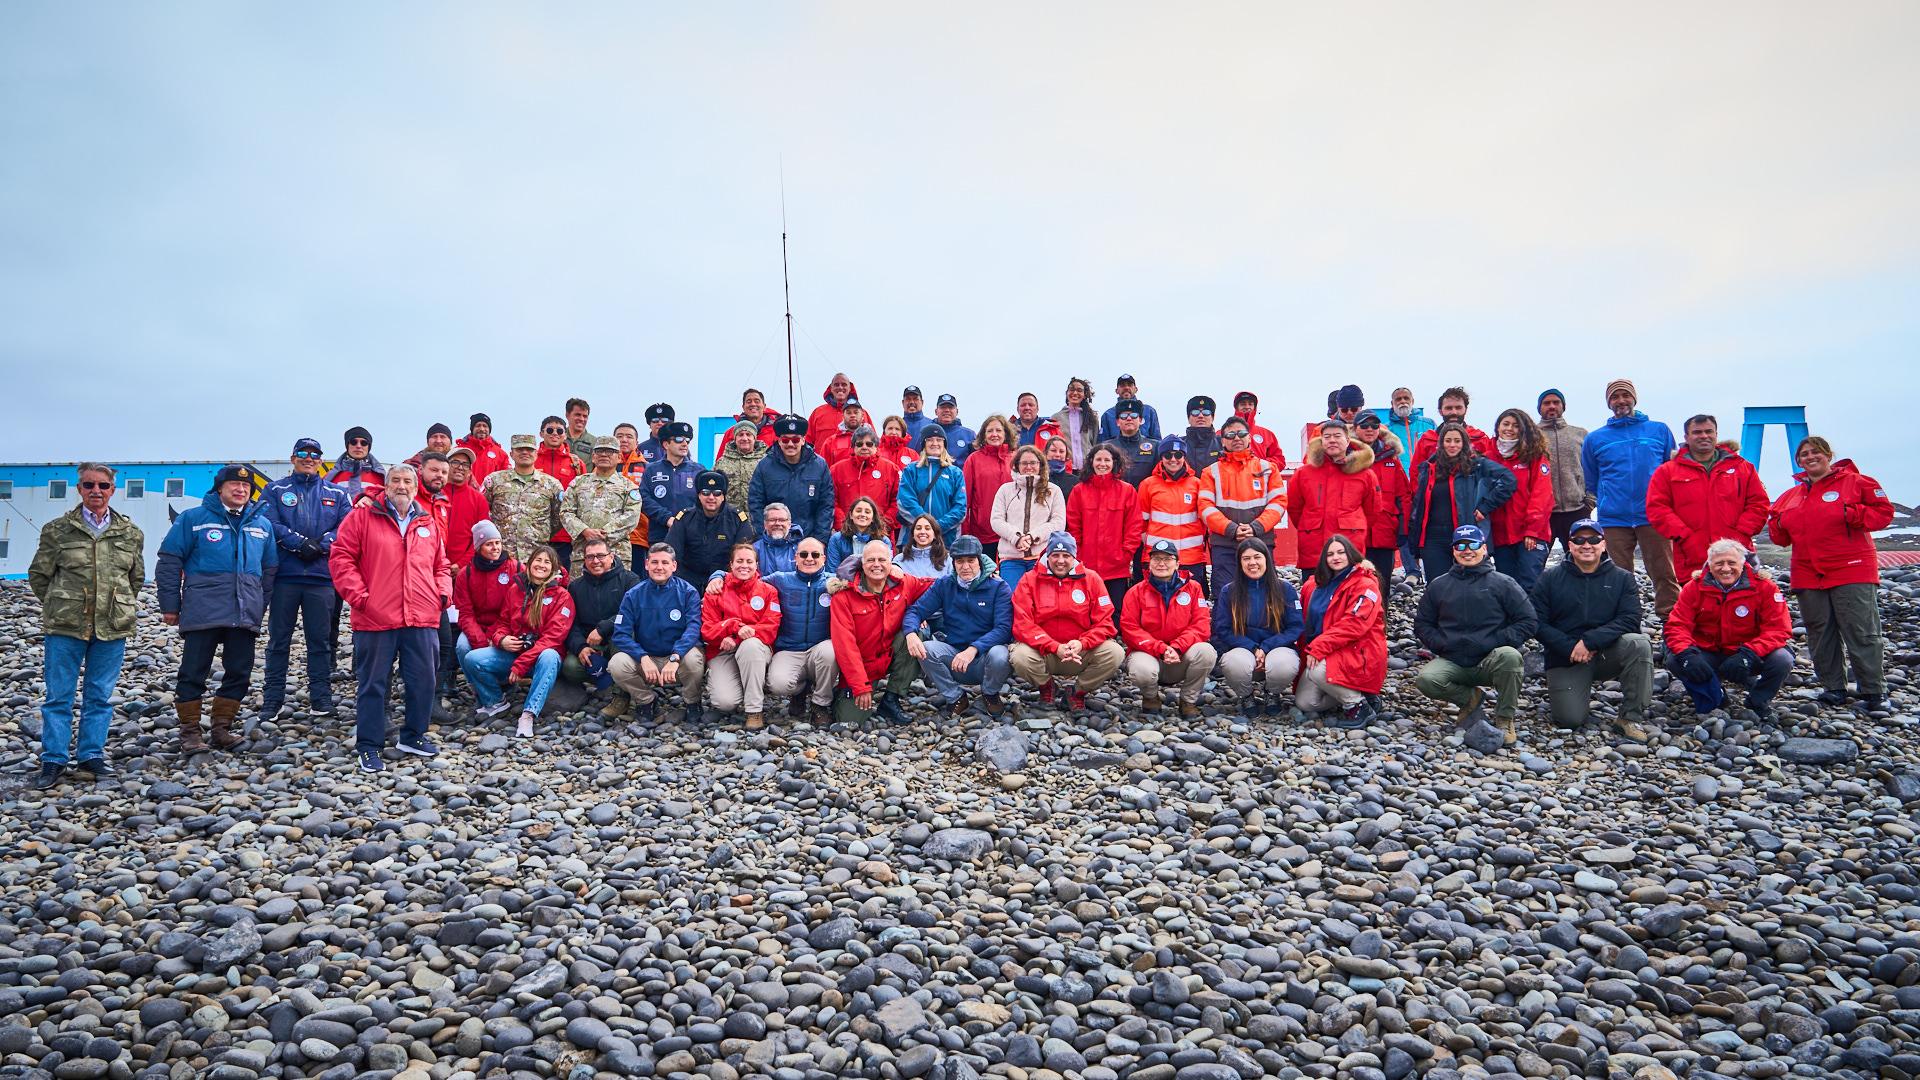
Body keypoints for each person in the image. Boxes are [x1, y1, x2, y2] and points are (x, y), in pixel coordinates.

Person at [329, 462, 452, 771]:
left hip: (421, 616)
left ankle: (413, 735)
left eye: (407, 481)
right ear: (385, 485)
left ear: (415, 486)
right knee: (373, 683)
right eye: (395, 480)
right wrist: (360, 597)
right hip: (375, 616)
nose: (401, 486)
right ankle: (369, 745)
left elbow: (441, 564)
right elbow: (342, 558)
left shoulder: (427, 521)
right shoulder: (362, 517)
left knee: (423, 679)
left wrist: (441, 594)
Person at [27, 463, 144, 788]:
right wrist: (60, 604)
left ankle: (91, 755)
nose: (96, 491)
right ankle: (53, 760)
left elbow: (134, 578)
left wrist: (117, 605)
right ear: (79, 489)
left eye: (103, 486)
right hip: (65, 627)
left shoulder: (130, 532)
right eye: (89, 485)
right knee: (58, 697)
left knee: (100, 696)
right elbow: (39, 575)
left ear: (112, 490)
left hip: (111, 627)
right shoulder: (57, 529)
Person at [155, 464, 277, 756]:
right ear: (219, 488)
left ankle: (221, 728)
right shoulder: (192, 519)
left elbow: (270, 569)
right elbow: (169, 561)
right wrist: (170, 605)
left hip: (244, 612)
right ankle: (189, 732)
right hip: (203, 611)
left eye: (246, 487)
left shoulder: (262, 525)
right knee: (192, 672)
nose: (241, 490)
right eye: (234, 484)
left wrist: (261, 605)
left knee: (239, 672)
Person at [1767, 436, 1894, 711]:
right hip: (1807, 571)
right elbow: (1780, 538)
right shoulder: (1791, 495)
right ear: (1798, 460)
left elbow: (1884, 513)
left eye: (1816, 452)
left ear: (1829, 455)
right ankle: (1833, 687)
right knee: (1819, 630)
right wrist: (1776, 522)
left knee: (1860, 629)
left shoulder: (1858, 483)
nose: (1810, 457)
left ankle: (1873, 690)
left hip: (1851, 567)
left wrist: (1854, 512)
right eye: (1804, 454)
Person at [1529, 517, 1652, 741]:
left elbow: (1630, 618)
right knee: (1570, 720)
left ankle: (1630, 717)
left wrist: (1589, 642)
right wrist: (1569, 647)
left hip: (1607, 652)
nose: (1587, 545)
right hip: (1566, 656)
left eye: (1594, 539)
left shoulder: (1623, 578)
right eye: (1579, 540)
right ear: (1570, 545)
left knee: (1639, 643)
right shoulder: (1549, 578)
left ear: (1603, 544)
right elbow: (1535, 622)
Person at [1413, 524, 1537, 745]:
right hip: (1454, 660)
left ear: (1484, 548)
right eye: (1460, 545)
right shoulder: (1439, 585)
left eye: (1473, 544)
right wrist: (1441, 644)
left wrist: (1496, 641)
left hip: (1491, 659)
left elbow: (1528, 621)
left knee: (1510, 656)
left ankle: (1504, 718)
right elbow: (1422, 623)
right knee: (1426, 680)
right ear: (1453, 550)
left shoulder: (1503, 583)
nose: (1467, 550)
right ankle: (1470, 698)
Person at [259, 438, 352, 720]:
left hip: (322, 578)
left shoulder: (336, 493)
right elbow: (269, 523)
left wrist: (322, 545)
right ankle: (272, 701)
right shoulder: (275, 490)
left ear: (321, 460)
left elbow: (347, 526)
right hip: (285, 576)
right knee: (278, 641)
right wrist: (299, 543)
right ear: (293, 457)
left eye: (314, 454)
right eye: (303, 453)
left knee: (320, 642)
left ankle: (321, 699)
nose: (308, 458)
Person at [1581, 379, 1680, 619]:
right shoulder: (1595, 439)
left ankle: (1672, 619)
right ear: (1608, 403)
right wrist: (1598, 504)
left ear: (1634, 398)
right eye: (1615, 397)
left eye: (1625, 396)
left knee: (1664, 571)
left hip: (1653, 514)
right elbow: (1591, 479)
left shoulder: (1659, 430)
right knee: (1617, 574)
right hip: (1614, 517)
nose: (1621, 401)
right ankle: (1625, 619)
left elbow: (1673, 471)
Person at [1665, 540, 1795, 722]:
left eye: (1731, 563)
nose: (1726, 569)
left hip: (1748, 653)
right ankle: (1716, 695)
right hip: (1711, 652)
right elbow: (1677, 625)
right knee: (1675, 660)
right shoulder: (1694, 588)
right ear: (1710, 565)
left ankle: (1758, 700)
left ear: (1743, 563)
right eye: (1719, 563)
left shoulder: (1764, 587)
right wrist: (1688, 654)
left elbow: (1779, 629)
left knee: (1783, 659)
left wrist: (1748, 654)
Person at [462, 544, 572, 737]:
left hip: (539, 659)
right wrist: (501, 639)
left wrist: (521, 664)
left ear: (554, 569)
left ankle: (528, 714)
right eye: (538, 560)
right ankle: (496, 701)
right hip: (514, 653)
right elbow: (502, 622)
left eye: (547, 562)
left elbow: (553, 638)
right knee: (472, 658)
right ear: (529, 564)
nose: (541, 565)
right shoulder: (516, 589)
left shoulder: (562, 597)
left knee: (550, 655)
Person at [1009, 532, 1125, 713]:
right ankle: (1047, 687)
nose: (1060, 561)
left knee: (1115, 652)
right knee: (1020, 656)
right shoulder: (1029, 580)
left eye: (1066, 556)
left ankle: (1077, 692)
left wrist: (1082, 642)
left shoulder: (1092, 579)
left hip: (1080, 651)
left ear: (1074, 557)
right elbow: (1022, 624)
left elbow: (1106, 623)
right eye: (1055, 555)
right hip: (1045, 652)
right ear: (1047, 555)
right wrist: (1054, 646)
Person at [905, 534, 1015, 717]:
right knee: (926, 649)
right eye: (959, 561)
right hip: (954, 655)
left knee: (1002, 654)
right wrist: (910, 633)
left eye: (971, 560)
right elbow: (915, 611)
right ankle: (955, 697)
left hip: (985, 656)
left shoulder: (998, 587)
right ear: (953, 562)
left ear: (979, 560)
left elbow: (1004, 629)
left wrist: (974, 649)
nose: (965, 567)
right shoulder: (945, 584)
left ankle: (990, 693)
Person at [1646, 414, 1771, 573]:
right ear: (1687, 437)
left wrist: (1739, 534)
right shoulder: (1667, 472)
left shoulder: (1743, 468)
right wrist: (1685, 537)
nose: (1704, 436)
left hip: (1736, 556)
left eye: (1708, 431)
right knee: (1695, 597)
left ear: (1716, 435)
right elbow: (1657, 509)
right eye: (1697, 432)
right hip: (1691, 557)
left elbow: (1759, 504)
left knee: (1742, 597)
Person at [829, 539, 935, 723]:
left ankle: (891, 699)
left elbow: (936, 586)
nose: (876, 565)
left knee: (915, 636)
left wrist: (978, 573)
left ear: (891, 563)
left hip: (889, 654)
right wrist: (860, 686)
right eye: (870, 560)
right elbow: (845, 646)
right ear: (862, 564)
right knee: (850, 720)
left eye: (882, 560)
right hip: (863, 665)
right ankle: (840, 693)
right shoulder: (844, 597)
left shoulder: (904, 583)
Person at [1296, 535, 1387, 728]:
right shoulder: (1312, 585)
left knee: (1318, 671)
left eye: (1341, 552)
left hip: (1357, 650)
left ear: (1351, 554)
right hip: (1325, 650)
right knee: (1305, 702)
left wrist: (1318, 648)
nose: (1336, 557)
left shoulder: (1366, 584)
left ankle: (1356, 705)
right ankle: (1358, 692)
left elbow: (1354, 624)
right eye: (1330, 554)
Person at [1408, 420, 1516, 582]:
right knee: (1438, 587)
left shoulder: (1476, 464)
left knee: (1470, 585)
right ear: (1441, 443)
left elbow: (1508, 480)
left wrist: (1486, 506)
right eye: (1448, 440)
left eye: (1457, 441)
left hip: (1464, 536)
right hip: (1432, 539)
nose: (1452, 445)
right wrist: (1415, 544)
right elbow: (1419, 505)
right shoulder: (1428, 468)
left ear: (1464, 443)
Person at [607, 544, 707, 720]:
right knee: (617, 663)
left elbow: (693, 629)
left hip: (678, 658)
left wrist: (676, 656)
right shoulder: (633, 595)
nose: (659, 567)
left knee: (694, 659)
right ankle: (645, 700)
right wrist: (642, 657)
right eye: (654, 562)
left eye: (664, 562)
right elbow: (621, 634)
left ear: (674, 566)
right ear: (646, 564)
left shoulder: (688, 592)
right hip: (648, 659)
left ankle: (692, 701)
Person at [1120, 539, 1216, 718]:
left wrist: (1178, 646)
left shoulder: (1193, 588)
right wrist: (1161, 648)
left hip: (1181, 654)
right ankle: (1150, 697)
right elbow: (1129, 629)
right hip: (1149, 654)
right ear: (1149, 564)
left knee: (1206, 651)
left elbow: (1201, 625)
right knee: (1141, 670)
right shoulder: (1136, 591)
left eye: (1167, 559)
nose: (1161, 563)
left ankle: (1188, 700)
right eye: (1156, 559)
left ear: (1177, 563)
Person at [1212, 538, 1303, 715]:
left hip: (1278, 648)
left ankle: (1272, 692)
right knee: (1232, 663)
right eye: (1246, 558)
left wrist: (1267, 647)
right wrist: (1253, 648)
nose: (1252, 563)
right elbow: (1223, 628)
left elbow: (1296, 627)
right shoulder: (1229, 591)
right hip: (1244, 649)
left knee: (1285, 664)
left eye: (1257, 557)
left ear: (1266, 560)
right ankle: (1246, 695)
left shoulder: (1285, 589)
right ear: (1239, 563)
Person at [1198, 415, 1287, 590]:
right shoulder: (1210, 472)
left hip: (1261, 541)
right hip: (1225, 546)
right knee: (1225, 595)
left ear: (1249, 437)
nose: (1236, 438)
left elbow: (1278, 503)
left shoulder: (1268, 468)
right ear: (1223, 441)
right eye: (1230, 435)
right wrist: (1232, 529)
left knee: (1266, 594)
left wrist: (1255, 527)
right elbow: (1205, 507)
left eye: (1241, 433)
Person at [700, 544, 781, 727]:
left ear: (756, 565)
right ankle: (738, 684)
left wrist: (737, 637)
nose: (744, 565)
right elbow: (707, 630)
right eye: (739, 561)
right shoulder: (715, 591)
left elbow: (771, 627)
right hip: (722, 651)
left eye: (749, 561)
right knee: (725, 702)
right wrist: (732, 626)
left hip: (755, 648)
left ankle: (754, 710)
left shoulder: (769, 591)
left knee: (750, 646)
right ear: (731, 564)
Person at [1289, 419, 1380, 575]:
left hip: (1350, 548)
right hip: (1314, 549)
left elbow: (1372, 511)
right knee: (1314, 595)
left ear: (1347, 441)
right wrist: (1311, 524)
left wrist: (1354, 525)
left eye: (1337, 436)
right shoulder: (1303, 473)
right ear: (1321, 441)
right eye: (1327, 437)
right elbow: (1294, 508)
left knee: (1350, 595)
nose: (1332, 440)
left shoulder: (1365, 474)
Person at [764, 536, 839, 723]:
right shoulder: (780, 579)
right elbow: (748, 580)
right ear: (795, 558)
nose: (809, 559)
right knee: (778, 684)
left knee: (831, 652)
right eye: (804, 554)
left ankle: (820, 704)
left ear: (824, 559)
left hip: (819, 649)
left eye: (815, 554)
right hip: (789, 649)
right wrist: (719, 576)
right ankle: (800, 690)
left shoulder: (835, 583)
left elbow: (863, 579)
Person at [561, 536, 639, 715]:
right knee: (571, 667)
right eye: (590, 557)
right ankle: (604, 683)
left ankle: (621, 696)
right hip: (591, 644)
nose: (595, 561)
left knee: (623, 638)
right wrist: (580, 647)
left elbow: (632, 614)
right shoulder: (575, 587)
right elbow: (571, 624)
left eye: (600, 556)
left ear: (611, 557)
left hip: (618, 637)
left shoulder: (629, 580)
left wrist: (603, 628)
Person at [1066, 443, 1143, 614]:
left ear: (1114, 463)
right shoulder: (1079, 491)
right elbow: (1073, 526)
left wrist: (1126, 554)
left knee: (1115, 610)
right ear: (1091, 462)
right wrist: (1078, 554)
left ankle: (1113, 639)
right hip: (1086, 564)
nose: (1102, 464)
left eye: (1107, 460)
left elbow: (1134, 526)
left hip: (1117, 565)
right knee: (1086, 609)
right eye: (1098, 459)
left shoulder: (1127, 491)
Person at [1487, 408, 1555, 592]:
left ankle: (1535, 621)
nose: (1510, 429)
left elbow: (1542, 496)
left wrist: (1532, 530)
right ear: (1498, 427)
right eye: (1506, 424)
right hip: (1501, 535)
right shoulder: (1488, 456)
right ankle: (1512, 621)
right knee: (1507, 586)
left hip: (1530, 534)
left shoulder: (1534, 456)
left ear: (1524, 429)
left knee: (1530, 584)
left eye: (1516, 425)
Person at [560, 436, 643, 579]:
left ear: (619, 457)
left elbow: (631, 517)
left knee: (616, 598)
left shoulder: (629, 487)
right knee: (580, 597)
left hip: (616, 554)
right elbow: (566, 512)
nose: (604, 454)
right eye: (600, 451)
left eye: (610, 451)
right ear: (593, 457)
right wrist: (585, 531)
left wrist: (603, 535)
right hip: (583, 554)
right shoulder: (578, 483)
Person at [1136, 438, 1209, 594]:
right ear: (1161, 458)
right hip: (1158, 559)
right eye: (1168, 455)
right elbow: (1140, 522)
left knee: (1189, 605)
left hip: (1192, 558)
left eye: (1178, 455)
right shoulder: (1148, 484)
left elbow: (1204, 521)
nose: (1173, 459)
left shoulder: (1197, 484)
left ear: (1184, 457)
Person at [991, 445, 1067, 589]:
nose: (1029, 467)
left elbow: (1058, 522)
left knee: (1041, 602)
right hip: (1011, 558)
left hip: (1042, 557)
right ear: (1017, 465)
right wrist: (1017, 538)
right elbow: (996, 520)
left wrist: (1033, 537)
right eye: (1024, 463)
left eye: (1033, 463)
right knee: (1012, 600)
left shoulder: (1053, 491)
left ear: (1041, 465)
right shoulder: (1005, 490)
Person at [751, 415, 835, 543]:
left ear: (803, 440)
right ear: (779, 441)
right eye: (785, 440)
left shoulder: (819, 465)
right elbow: (756, 503)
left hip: (809, 540)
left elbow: (826, 505)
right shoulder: (764, 466)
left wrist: (820, 540)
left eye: (795, 440)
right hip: (774, 539)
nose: (790, 444)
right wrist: (763, 537)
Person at [483, 434, 566, 561]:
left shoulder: (552, 485)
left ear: (536, 453)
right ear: (511, 454)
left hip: (536, 556)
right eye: (519, 449)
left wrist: (540, 532)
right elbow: (481, 511)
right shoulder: (494, 480)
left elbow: (559, 517)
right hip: (501, 554)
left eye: (529, 449)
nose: (525, 452)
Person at [453, 522, 521, 671]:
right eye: (489, 544)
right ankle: (477, 684)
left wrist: (494, 636)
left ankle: (505, 681)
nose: (495, 547)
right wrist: (481, 641)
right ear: (478, 548)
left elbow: (514, 609)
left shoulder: (516, 568)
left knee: (509, 646)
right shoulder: (466, 574)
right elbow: (465, 613)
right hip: (477, 625)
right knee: (463, 647)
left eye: (497, 542)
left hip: (505, 626)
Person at [666, 470, 753, 585]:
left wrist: (724, 579)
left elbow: (742, 556)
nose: (711, 497)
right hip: (687, 581)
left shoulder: (737, 519)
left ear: (723, 496)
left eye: (717, 493)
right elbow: (672, 553)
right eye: (706, 492)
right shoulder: (684, 518)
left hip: (725, 581)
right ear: (699, 495)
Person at [1536, 389, 1594, 558]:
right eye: (1547, 403)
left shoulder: (1580, 434)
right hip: (1544, 513)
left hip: (1578, 509)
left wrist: (1590, 501)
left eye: (1556, 402)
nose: (1552, 406)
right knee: (1535, 565)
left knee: (1583, 561)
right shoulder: (1530, 435)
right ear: (1539, 408)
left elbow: (1592, 469)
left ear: (1563, 406)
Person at [1352, 414, 1408, 588]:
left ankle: (1382, 616)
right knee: (1356, 583)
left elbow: (1404, 496)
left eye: (1374, 425)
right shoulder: (1347, 457)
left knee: (1383, 583)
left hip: (1385, 532)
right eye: (1364, 425)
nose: (1370, 429)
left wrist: (1404, 529)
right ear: (1355, 428)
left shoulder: (1391, 459)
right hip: (1355, 534)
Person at [533, 414, 586, 567]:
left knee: (563, 581)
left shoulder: (575, 463)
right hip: (536, 533)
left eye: (559, 431)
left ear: (565, 435)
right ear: (541, 433)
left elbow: (582, 497)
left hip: (565, 535)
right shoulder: (531, 460)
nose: (555, 434)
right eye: (550, 430)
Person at [898, 429, 967, 545]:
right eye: (929, 440)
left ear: (944, 444)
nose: (935, 443)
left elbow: (960, 508)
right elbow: (905, 501)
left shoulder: (955, 473)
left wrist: (937, 526)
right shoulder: (911, 470)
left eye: (939, 440)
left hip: (946, 540)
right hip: (912, 539)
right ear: (923, 444)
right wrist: (924, 525)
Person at [961, 415, 1015, 558]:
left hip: (1013, 531)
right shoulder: (973, 460)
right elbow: (965, 499)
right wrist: (966, 533)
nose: (994, 434)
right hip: (983, 532)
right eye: (990, 431)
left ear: (1006, 434)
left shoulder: (1016, 458)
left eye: (998, 430)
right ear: (983, 435)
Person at [829, 426, 901, 533]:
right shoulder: (836, 470)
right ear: (853, 447)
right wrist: (844, 524)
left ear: (876, 447)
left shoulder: (892, 469)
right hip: (846, 533)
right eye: (859, 444)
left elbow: (897, 502)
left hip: (880, 533)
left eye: (869, 444)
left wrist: (881, 525)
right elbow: (831, 501)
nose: (864, 447)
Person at [642, 421, 704, 544]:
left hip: (691, 534)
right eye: (679, 439)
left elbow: (704, 500)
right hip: (660, 534)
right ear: (666, 444)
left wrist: (685, 521)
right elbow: (644, 498)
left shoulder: (699, 470)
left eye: (687, 440)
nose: (684, 443)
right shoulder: (651, 469)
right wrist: (667, 519)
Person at [1411, 387, 1494, 466]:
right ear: (1440, 411)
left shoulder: (1480, 439)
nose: (1454, 412)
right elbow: (1416, 472)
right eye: (1449, 408)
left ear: (1465, 409)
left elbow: (1492, 471)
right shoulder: (1427, 440)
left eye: (1458, 408)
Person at [443, 447, 491, 568]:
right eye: (455, 462)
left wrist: (461, 564)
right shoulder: (433, 494)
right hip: (430, 566)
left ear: (470, 471)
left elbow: (481, 537)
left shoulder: (479, 500)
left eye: (465, 464)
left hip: (463, 570)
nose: (460, 467)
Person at [714, 419, 768, 510]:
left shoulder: (766, 461)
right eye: (740, 435)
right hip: (730, 518)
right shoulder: (722, 462)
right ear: (735, 439)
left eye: (748, 435)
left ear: (754, 438)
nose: (744, 438)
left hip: (757, 517)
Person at [828, 496, 891, 572]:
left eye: (867, 512)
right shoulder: (836, 539)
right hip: (843, 582)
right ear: (851, 515)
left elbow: (886, 570)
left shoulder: (883, 541)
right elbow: (832, 571)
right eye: (858, 511)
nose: (863, 514)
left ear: (873, 518)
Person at [1050, 378, 1100, 469]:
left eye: (1079, 390)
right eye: (1072, 389)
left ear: (1085, 395)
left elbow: (1095, 443)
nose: (1075, 393)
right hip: (1066, 469)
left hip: (1087, 469)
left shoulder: (1092, 418)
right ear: (1067, 393)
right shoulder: (1056, 418)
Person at [1377, 388, 1432, 472]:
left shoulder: (1429, 424)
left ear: (1412, 401)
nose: (1403, 401)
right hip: (1400, 479)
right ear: (1392, 403)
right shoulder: (1385, 430)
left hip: (1424, 478)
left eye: (1406, 398)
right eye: (1398, 399)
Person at [1107, 399, 1160, 485]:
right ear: (1117, 422)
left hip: (1143, 496)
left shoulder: (1155, 446)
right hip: (1115, 497)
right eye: (1123, 415)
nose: (1129, 418)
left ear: (1140, 420)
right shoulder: (1106, 447)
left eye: (1134, 415)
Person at [1230, 391, 1287, 469]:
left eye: (1250, 404)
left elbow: (1280, 461)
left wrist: (1260, 464)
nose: (1247, 407)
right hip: (1231, 479)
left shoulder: (1267, 434)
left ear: (1255, 408)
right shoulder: (1223, 434)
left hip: (1260, 479)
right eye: (1243, 404)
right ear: (1236, 407)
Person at [1099, 374, 1162, 441]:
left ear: (1136, 389)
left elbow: (1157, 441)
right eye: (1122, 385)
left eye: (1130, 385)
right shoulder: (1107, 415)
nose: (1126, 387)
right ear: (1116, 390)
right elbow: (1103, 444)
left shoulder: (1149, 411)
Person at [806, 372, 860, 449]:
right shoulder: (817, 413)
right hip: (824, 460)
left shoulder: (861, 413)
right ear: (831, 388)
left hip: (852, 460)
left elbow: (873, 442)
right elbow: (807, 444)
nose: (840, 387)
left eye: (844, 384)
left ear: (850, 388)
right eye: (836, 385)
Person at [819, 397, 870, 467]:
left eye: (856, 412)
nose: (852, 415)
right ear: (843, 416)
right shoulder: (830, 442)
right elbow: (822, 469)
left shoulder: (873, 440)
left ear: (862, 415)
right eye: (848, 413)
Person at [753, 503, 802, 575]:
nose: (777, 523)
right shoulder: (754, 550)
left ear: (789, 524)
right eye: (772, 520)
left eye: (782, 520)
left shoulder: (802, 548)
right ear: (765, 524)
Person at [457, 413, 508, 482]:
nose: (481, 429)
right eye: (478, 426)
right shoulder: (459, 450)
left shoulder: (501, 454)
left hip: (491, 492)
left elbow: (506, 479)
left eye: (485, 426)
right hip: (464, 492)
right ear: (472, 429)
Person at [1180, 395, 1222, 472]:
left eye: (1206, 412)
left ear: (1212, 418)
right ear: (1188, 418)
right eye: (1195, 412)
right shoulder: (1179, 444)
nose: (1200, 416)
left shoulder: (1222, 443)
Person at [931, 393, 976, 462]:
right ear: (936, 411)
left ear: (957, 411)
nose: (947, 410)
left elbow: (976, 461)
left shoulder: (969, 435)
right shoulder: (927, 433)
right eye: (943, 407)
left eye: (950, 407)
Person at [1043, 436, 1079, 500]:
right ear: (1046, 453)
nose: (1057, 454)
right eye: (1053, 450)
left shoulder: (1075, 482)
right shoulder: (1038, 478)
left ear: (1066, 455)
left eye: (1061, 451)